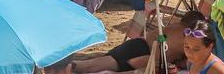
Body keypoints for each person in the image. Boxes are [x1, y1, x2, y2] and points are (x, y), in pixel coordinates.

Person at [74, 9, 205, 73]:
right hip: (142, 53)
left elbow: (164, 41)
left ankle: (64, 66)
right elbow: (191, 61)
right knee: (94, 68)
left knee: (89, 65)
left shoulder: (173, 26)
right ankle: (61, 67)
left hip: (135, 44)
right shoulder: (189, 36)